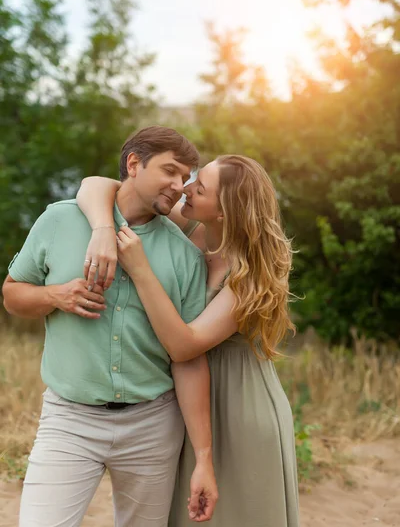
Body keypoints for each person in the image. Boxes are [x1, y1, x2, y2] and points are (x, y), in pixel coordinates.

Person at [2, 126, 218, 527]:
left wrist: (203, 456)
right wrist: (56, 297)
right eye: (170, 170)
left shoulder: (185, 256)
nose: (179, 185)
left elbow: (188, 359)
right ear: (133, 164)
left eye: (186, 176)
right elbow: (12, 295)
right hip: (69, 421)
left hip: (153, 425)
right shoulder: (60, 220)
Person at [76, 153, 300, 527]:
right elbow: (93, 186)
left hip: (238, 405)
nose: (185, 188)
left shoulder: (251, 274)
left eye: (200, 187)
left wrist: (141, 268)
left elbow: (185, 345)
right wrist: (101, 228)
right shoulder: (189, 225)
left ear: (225, 211)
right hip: (186, 396)